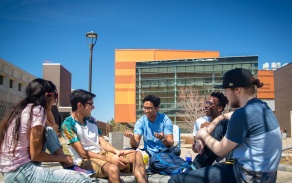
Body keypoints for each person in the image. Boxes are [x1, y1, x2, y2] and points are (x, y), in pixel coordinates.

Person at [169, 68, 282, 183]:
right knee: (222, 123)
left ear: (237, 89)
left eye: (226, 89)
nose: (225, 94)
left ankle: (190, 171)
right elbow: (227, 116)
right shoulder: (262, 107)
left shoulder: (242, 114)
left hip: (246, 176)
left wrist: (203, 134)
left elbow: (220, 150)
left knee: (176, 180)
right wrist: (214, 123)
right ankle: (193, 169)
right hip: (266, 176)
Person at [0, 78, 91, 183]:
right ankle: (67, 163)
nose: (54, 101)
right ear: (47, 95)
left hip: (10, 171)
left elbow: (52, 127)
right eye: (55, 96)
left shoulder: (22, 109)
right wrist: (63, 158)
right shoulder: (37, 110)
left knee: (48, 130)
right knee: (82, 179)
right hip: (22, 172)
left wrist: (47, 109)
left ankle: (68, 165)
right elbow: (36, 155)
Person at [61, 89, 148, 183]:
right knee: (113, 169)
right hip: (85, 161)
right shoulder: (68, 125)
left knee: (136, 155)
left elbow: (103, 142)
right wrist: (110, 159)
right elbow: (83, 153)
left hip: (102, 154)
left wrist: (117, 152)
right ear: (80, 105)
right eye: (90, 104)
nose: (93, 107)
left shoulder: (92, 120)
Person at [191, 92, 230, 169]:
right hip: (204, 163)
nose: (206, 106)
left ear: (220, 108)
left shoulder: (227, 123)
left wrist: (211, 126)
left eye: (210, 103)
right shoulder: (200, 122)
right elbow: (195, 150)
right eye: (206, 102)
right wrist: (197, 142)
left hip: (221, 163)